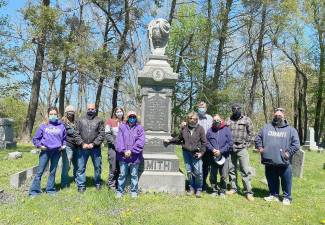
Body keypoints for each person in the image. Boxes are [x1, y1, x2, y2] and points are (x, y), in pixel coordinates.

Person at [255, 108, 300, 205]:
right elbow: (258, 138)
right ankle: (273, 195)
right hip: (269, 160)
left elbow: (296, 144)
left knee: (286, 180)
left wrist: (288, 153)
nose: (277, 117)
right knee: (271, 179)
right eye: (276, 116)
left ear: (284, 117)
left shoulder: (291, 130)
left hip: (283, 161)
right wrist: (260, 147)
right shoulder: (266, 127)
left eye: (279, 116)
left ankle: (287, 197)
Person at [165, 112, 207, 198]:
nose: (193, 120)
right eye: (191, 119)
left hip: (196, 153)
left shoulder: (200, 129)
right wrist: (170, 140)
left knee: (198, 172)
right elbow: (178, 138)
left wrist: (201, 153)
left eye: (195, 119)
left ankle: (198, 189)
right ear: (188, 119)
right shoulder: (184, 129)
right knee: (189, 171)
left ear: (197, 120)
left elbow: (204, 143)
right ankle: (191, 188)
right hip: (186, 153)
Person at [29, 107, 66, 197]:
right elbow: (35, 139)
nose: (53, 116)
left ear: (57, 115)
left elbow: (64, 138)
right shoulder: (43, 126)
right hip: (46, 152)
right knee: (40, 171)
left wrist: (63, 145)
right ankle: (34, 192)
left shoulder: (61, 126)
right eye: (51, 114)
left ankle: (50, 190)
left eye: (54, 114)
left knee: (52, 171)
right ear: (48, 115)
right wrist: (40, 146)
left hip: (56, 152)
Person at [180, 101, 213, 191]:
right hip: (195, 145)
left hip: (206, 145)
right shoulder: (194, 117)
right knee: (194, 167)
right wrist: (182, 124)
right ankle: (193, 184)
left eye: (203, 106)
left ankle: (203, 184)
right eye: (200, 106)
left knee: (205, 166)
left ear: (206, 108)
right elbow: (185, 126)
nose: (202, 108)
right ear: (197, 107)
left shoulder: (210, 118)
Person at [225, 103, 254, 201]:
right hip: (231, 148)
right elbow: (225, 133)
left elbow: (251, 133)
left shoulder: (247, 120)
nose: (236, 110)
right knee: (231, 169)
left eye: (238, 109)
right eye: (234, 109)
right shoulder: (228, 120)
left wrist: (246, 145)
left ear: (240, 109)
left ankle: (248, 192)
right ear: (232, 110)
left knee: (245, 170)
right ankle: (233, 188)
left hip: (242, 148)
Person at [75, 103, 105, 193]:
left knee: (97, 167)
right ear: (86, 109)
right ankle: (81, 185)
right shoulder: (80, 120)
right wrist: (82, 143)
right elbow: (76, 133)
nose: (90, 110)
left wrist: (94, 144)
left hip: (95, 148)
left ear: (95, 110)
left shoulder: (99, 120)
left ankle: (98, 183)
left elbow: (102, 133)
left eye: (92, 109)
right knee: (81, 168)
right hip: (82, 148)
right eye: (89, 109)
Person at [115, 111, 145, 198]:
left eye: (134, 117)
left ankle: (134, 191)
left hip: (135, 157)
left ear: (136, 118)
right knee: (122, 174)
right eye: (130, 117)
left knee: (134, 175)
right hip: (123, 156)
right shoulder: (122, 127)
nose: (132, 119)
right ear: (127, 118)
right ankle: (120, 191)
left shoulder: (140, 128)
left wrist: (132, 151)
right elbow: (119, 141)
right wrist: (124, 151)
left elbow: (141, 141)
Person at [206, 114, 233, 197]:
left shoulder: (226, 130)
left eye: (217, 120)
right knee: (213, 174)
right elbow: (206, 142)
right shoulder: (210, 130)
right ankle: (214, 190)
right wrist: (213, 149)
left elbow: (230, 143)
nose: (216, 121)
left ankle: (222, 190)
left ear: (221, 120)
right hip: (213, 155)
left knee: (224, 174)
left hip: (224, 155)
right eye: (214, 120)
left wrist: (221, 151)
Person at [105, 107, 124, 190]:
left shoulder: (126, 122)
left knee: (121, 167)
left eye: (121, 111)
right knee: (113, 167)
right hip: (113, 148)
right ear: (115, 113)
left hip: (123, 149)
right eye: (118, 112)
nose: (119, 113)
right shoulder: (110, 121)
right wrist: (115, 143)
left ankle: (119, 185)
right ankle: (111, 185)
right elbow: (107, 134)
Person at [60, 105, 79, 188]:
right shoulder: (62, 123)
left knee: (77, 165)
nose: (70, 113)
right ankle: (64, 183)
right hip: (68, 146)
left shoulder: (77, 122)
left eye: (72, 112)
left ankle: (77, 180)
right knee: (67, 165)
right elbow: (61, 135)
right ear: (66, 113)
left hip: (77, 146)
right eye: (69, 112)